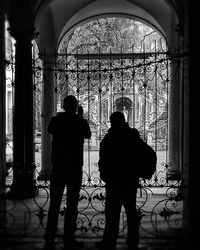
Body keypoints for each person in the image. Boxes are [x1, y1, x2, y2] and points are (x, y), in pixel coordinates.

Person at [45, 95, 91, 249]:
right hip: (74, 167)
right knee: (72, 204)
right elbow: (88, 134)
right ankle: (69, 238)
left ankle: (50, 236)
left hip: (58, 166)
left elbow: (50, 129)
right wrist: (80, 117)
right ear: (76, 106)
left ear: (64, 106)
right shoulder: (80, 121)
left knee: (54, 203)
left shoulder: (56, 120)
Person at [97, 111, 141, 250]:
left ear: (112, 122)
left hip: (114, 179)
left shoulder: (110, 137)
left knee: (112, 212)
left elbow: (103, 157)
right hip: (130, 178)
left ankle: (109, 240)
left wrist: (104, 174)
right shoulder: (133, 134)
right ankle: (133, 240)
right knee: (131, 210)